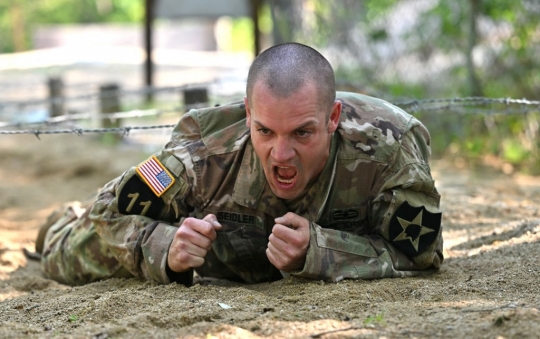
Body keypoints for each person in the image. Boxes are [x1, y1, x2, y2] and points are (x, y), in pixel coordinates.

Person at [37, 42, 443, 286]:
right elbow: (110, 211)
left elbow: (424, 254)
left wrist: (321, 251)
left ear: (333, 118)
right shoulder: (204, 152)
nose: (281, 154)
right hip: (210, 257)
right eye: (265, 131)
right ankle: (57, 219)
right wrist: (166, 248)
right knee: (62, 256)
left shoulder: (388, 147)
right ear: (248, 114)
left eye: (302, 133)